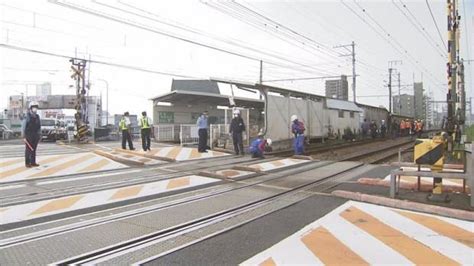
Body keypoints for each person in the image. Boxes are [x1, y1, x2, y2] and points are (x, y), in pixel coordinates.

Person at [22, 101, 41, 168]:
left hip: (35, 135)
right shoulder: (27, 116)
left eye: (36, 107)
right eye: (34, 107)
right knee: (28, 149)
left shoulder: (37, 116)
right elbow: (23, 126)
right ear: (31, 108)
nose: (35, 109)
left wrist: (39, 135)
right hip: (29, 135)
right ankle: (27, 163)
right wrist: (23, 136)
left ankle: (33, 162)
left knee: (34, 149)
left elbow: (39, 127)